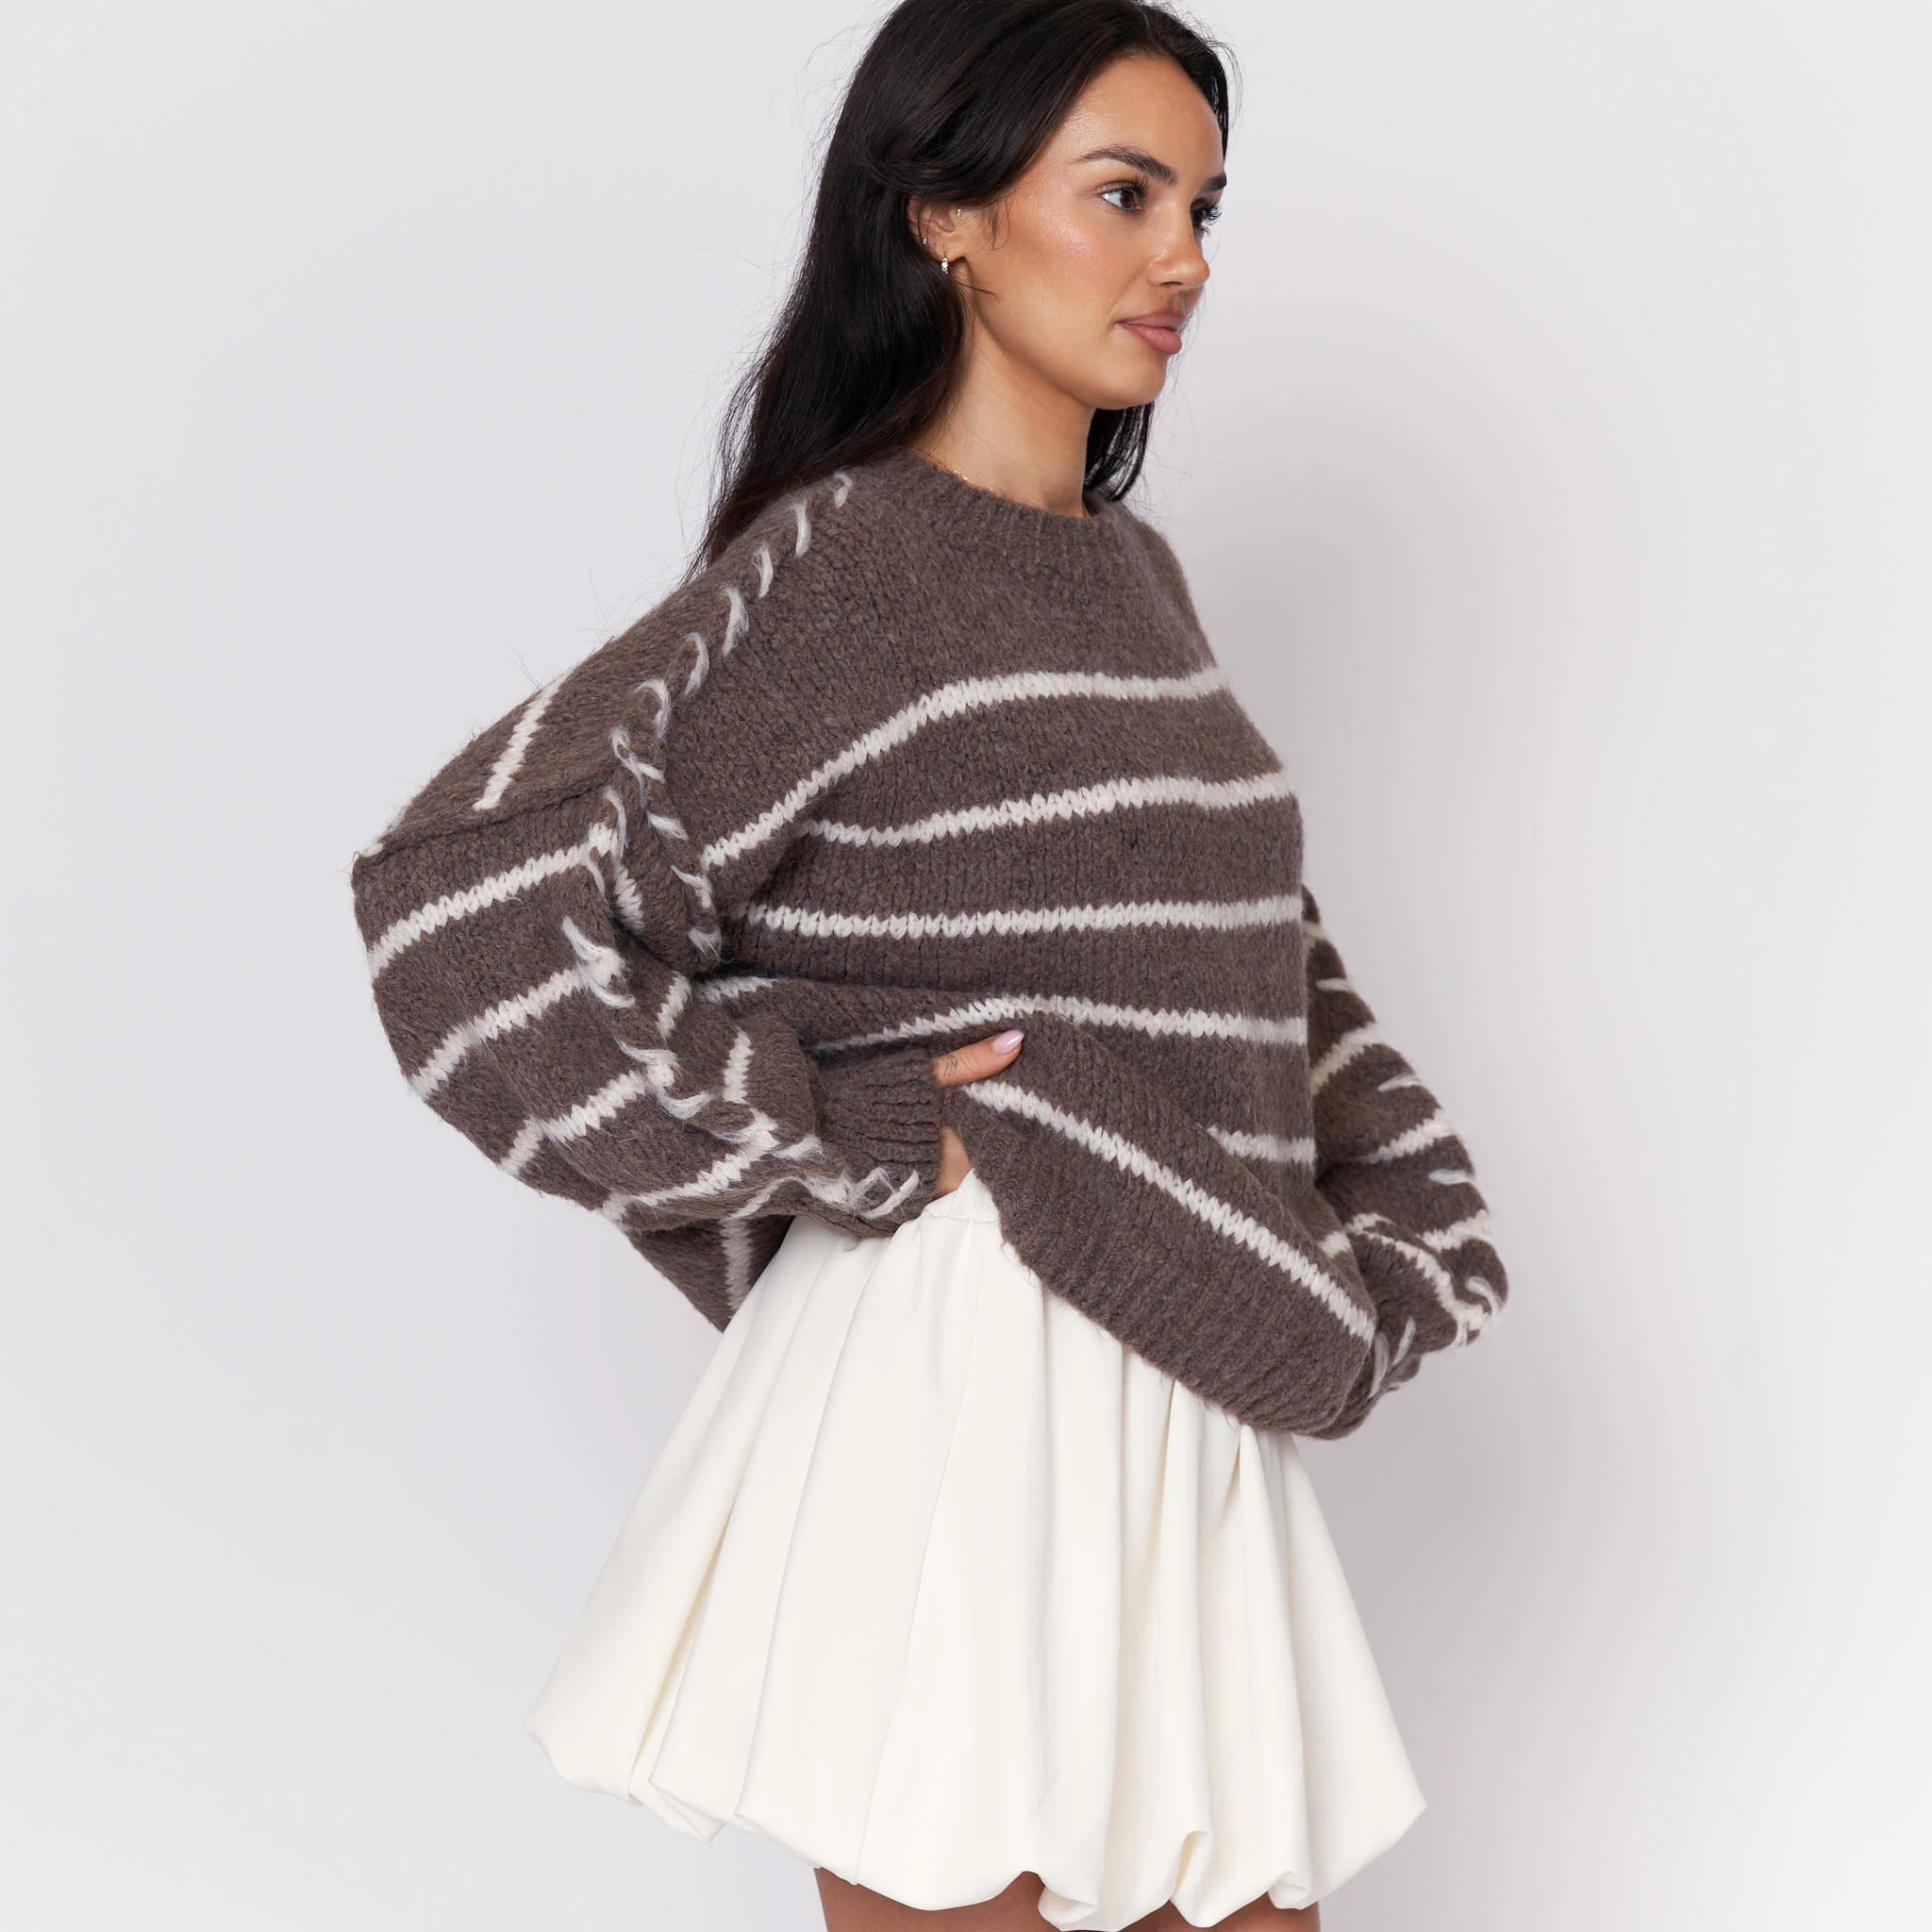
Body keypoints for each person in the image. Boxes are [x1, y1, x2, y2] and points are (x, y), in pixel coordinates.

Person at [348, 3, 1508, 1926]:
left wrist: (1395, 1221)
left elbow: (1247, 967)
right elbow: (458, 906)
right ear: (943, 217)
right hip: (960, 1386)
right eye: (1123, 194)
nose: (1182, 258)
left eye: (1205, 206)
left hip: (1182, 1364)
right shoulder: (849, 571)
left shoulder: (1137, 581)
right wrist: (857, 1130)